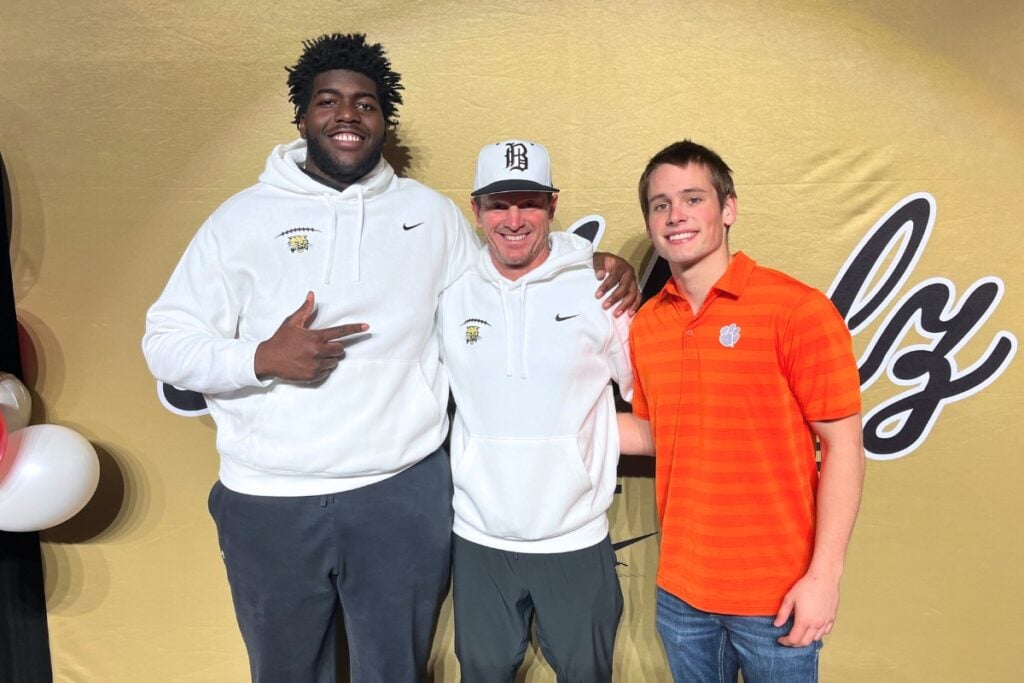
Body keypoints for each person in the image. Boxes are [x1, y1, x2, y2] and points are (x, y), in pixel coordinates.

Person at [142, 34, 638, 683]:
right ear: (302, 117)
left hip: (399, 496)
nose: (348, 116)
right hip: (270, 501)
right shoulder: (240, 220)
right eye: (329, 101)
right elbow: (166, 339)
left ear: (384, 119)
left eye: (366, 104)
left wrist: (592, 259)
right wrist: (260, 356)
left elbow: (512, 258)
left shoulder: (429, 217)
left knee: (396, 673)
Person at [619, 140, 864, 682]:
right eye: (660, 205)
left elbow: (844, 444)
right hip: (681, 594)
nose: (676, 215)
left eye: (692, 199)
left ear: (728, 209)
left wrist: (824, 578)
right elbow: (656, 431)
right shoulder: (647, 325)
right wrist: (533, 421)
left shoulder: (796, 309)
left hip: (777, 598)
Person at [439, 139, 632, 682]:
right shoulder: (450, 292)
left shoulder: (601, 289)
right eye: (499, 204)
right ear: (475, 211)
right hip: (479, 537)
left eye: (529, 202)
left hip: (575, 536)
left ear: (552, 205)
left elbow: (653, 396)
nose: (514, 219)